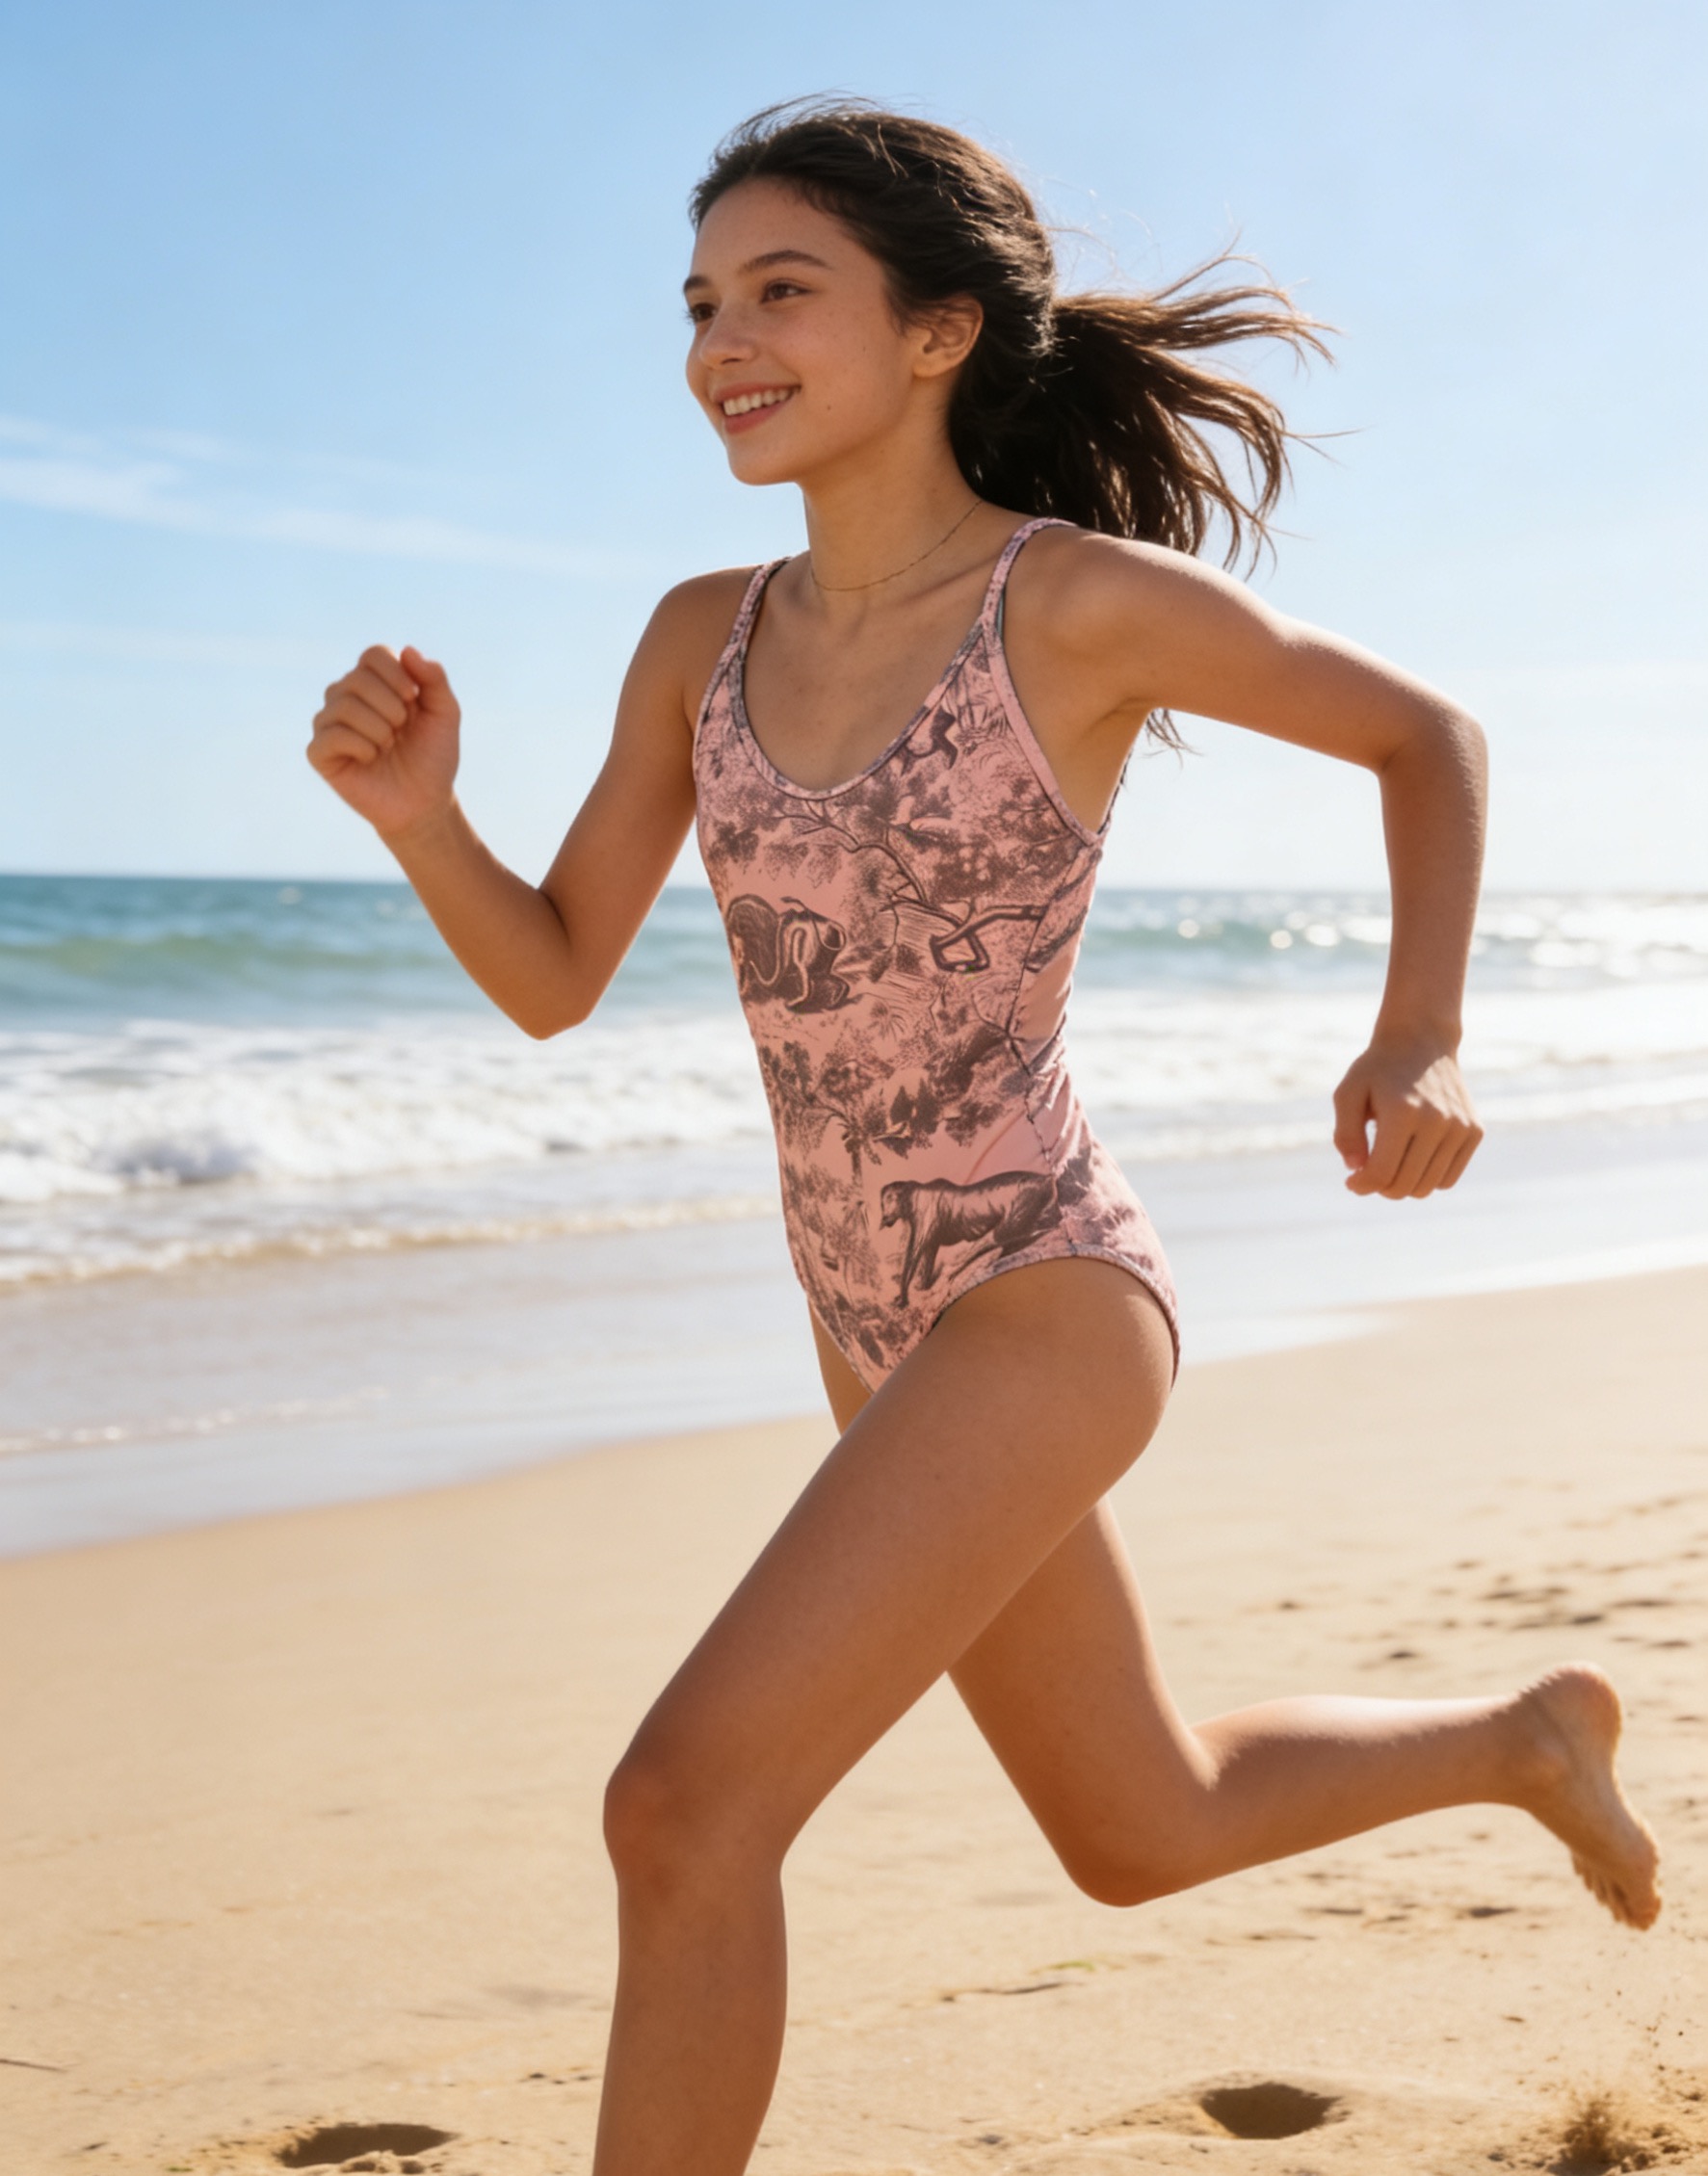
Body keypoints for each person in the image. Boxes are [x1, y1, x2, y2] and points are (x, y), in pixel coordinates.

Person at [307, 99, 1660, 2176]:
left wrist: (1422, 1033)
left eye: (780, 291)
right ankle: (1519, 1737)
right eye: (697, 301)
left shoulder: (1069, 607)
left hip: (1041, 1286)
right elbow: (558, 964)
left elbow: (1423, 734)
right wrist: (419, 825)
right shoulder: (700, 637)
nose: (717, 341)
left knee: (681, 1802)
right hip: (863, 1318)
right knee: (1144, 1822)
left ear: (937, 335)